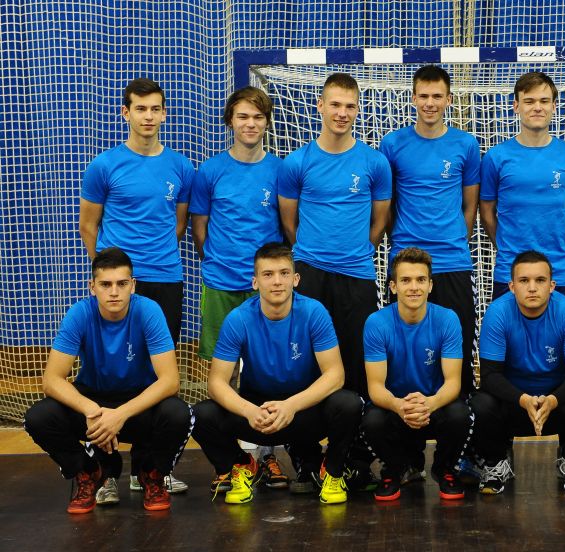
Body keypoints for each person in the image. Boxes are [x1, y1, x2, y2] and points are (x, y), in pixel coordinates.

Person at [278, 73, 391, 490]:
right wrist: (312, 256)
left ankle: (353, 460)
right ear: (320, 107)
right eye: (335, 105)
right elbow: (289, 223)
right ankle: (307, 460)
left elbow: (379, 221)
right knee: (304, 366)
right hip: (309, 275)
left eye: (349, 106)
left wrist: (355, 252)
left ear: (357, 110)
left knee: (359, 369)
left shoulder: (374, 163)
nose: (342, 113)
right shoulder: (297, 162)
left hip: (357, 276)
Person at [24, 248, 192, 514]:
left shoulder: (149, 311)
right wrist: (91, 410)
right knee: (38, 417)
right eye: (105, 284)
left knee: (180, 413)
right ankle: (88, 471)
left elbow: (170, 381)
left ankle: (152, 475)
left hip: (138, 404)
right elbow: (51, 380)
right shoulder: (80, 313)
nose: (114, 292)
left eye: (122, 284)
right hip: (94, 401)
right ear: (92, 287)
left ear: (133, 285)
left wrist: (120, 414)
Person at [191, 243, 362, 505]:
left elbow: (335, 374)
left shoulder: (314, 312)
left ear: (296, 279)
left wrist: (291, 406)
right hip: (258, 414)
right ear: (255, 282)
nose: (277, 281)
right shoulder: (238, 319)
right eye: (268, 274)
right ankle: (241, 465)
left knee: (349, 403)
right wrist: (249, 411)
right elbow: (216, 383)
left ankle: (332, 472)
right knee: (200, 414)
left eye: (284, 273)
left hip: (302, 410)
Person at [190, 86, 288, 492]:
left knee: (267, 372)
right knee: (223, 374)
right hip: (221, 285)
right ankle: (235, 460)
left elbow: (287, 226)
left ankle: (266, 455)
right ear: (230, 120)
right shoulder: (210, 172)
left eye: (258, 117)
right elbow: (199, 229)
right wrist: (220, 264)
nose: (250, 124)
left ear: (267, 122)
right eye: (243, 116)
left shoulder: (280, 170)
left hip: (264, 291)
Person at [380, 65, 481, 395]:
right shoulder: (392, 144)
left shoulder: (466, 145)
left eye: (437, 96)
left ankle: (461, 418)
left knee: (457, 347)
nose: (430, 103)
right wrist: (403, 243)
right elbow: (387, 203)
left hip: (453, 262)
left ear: (449, 99)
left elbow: (469, 206)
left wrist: (454, 239)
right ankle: (400, 416)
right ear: (413, 98)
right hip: (405, 262)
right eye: (423, 96)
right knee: (401, 349)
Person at [470, 251, 565, 495]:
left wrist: (552, 401)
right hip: (515, 403)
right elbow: (488, 376)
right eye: (524, 281)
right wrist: (523, 400)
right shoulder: (497, 312)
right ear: (511, 286)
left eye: (540, 280)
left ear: (552, 286)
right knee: (480, 402)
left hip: (556, 404)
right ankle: (496, 464)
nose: (532, 288)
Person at [79, 78, 194, 344]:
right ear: (126, 112)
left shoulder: (182, 167)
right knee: (117, 355)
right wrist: (109, 269)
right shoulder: (103, 165)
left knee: (162, 356)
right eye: (141, 109)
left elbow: (178, 225)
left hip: (166, 277)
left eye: (155, 109)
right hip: (119, 280)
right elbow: (87, 226)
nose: (148, 116)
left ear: (164, 114)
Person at [361, 248, 472, 501]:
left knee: (461, 414)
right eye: (405, 280)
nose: (414, 287)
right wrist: (400, 406)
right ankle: (395, 469)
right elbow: (375, 387)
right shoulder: (376, 323)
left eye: (421, 280)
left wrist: (430, 404)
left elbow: (453, 382)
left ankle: (444, 469)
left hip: (434, 404)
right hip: (396, 406)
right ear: (393, 286)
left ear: (430, 285)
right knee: (371, 421)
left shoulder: (447, 319)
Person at [480, 71, 565, 305]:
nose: (537, 107)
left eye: (544, 101)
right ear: (516, 106)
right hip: (510, 271)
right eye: (529, 101)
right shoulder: (495, 157)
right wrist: (506, 247)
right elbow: (486, 211)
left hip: (562, 271)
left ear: (554, 106)